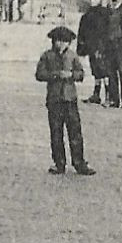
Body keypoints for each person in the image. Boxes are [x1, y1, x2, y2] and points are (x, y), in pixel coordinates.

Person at [35, 26, 95, 176]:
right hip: (54, 100)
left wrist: (71, 75)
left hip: (70, 99)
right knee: (56, 132)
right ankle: (59, 163)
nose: (61, 44)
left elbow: (81, 74)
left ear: (69, 43)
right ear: (53, 42)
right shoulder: (47, 56)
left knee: (75, 132)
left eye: (65, 42)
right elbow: (40, 74)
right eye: (58, 41)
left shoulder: (73, 57)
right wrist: (55, 75)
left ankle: (79, 162)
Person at [76, 0, 112, 105]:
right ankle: (96, 95)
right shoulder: (87, 15)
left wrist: (103, 46)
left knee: (104, 71)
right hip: (91, 46)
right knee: (95, 70)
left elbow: (108, 31)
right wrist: (81, 48)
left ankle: (108, 96)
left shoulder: (105, 13)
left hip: (102, 47)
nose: (92, 1)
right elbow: (82, 32)